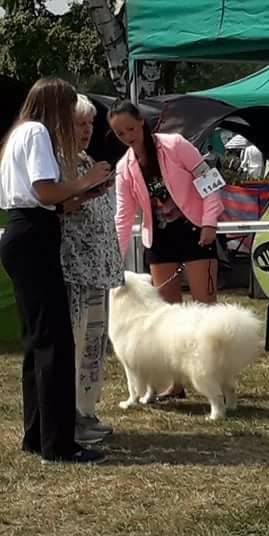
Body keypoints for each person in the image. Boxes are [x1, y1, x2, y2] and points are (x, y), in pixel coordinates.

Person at [0, 77, 113, 464]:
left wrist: (79, 195)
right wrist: (87, 179)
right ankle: (59, 445)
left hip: (27, 230)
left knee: (37, 342)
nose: (70, 119)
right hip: (34, 237)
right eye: (68, 110)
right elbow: (45, 190)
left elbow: (42, 199)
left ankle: (37, 435)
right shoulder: (37, 133)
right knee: (55, 344)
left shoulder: (19, 131)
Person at [109, 99, 224, 400]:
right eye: (120, 134)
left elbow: (209, 181)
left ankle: (217, 381)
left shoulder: (175, 145)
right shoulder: (125, 168)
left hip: (195, 233)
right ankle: (175, 384)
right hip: (159, 242)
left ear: (141, 124)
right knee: (166, 318)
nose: (128, 136)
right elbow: (123, 217)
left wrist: (210, 222)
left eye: (131, 129)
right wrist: (113, 258)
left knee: (205, 309)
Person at [61, 94, 124, 441]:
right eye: (79, 124)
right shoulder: (59, 163)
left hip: (99, 269)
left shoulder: (87, 159)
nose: (86, 131)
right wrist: (89, 186)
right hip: (75, 269)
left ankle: (87, 410)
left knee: (95, 346)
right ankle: (69, 415)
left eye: (90, 124)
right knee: (76, 340)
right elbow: (60, 206)